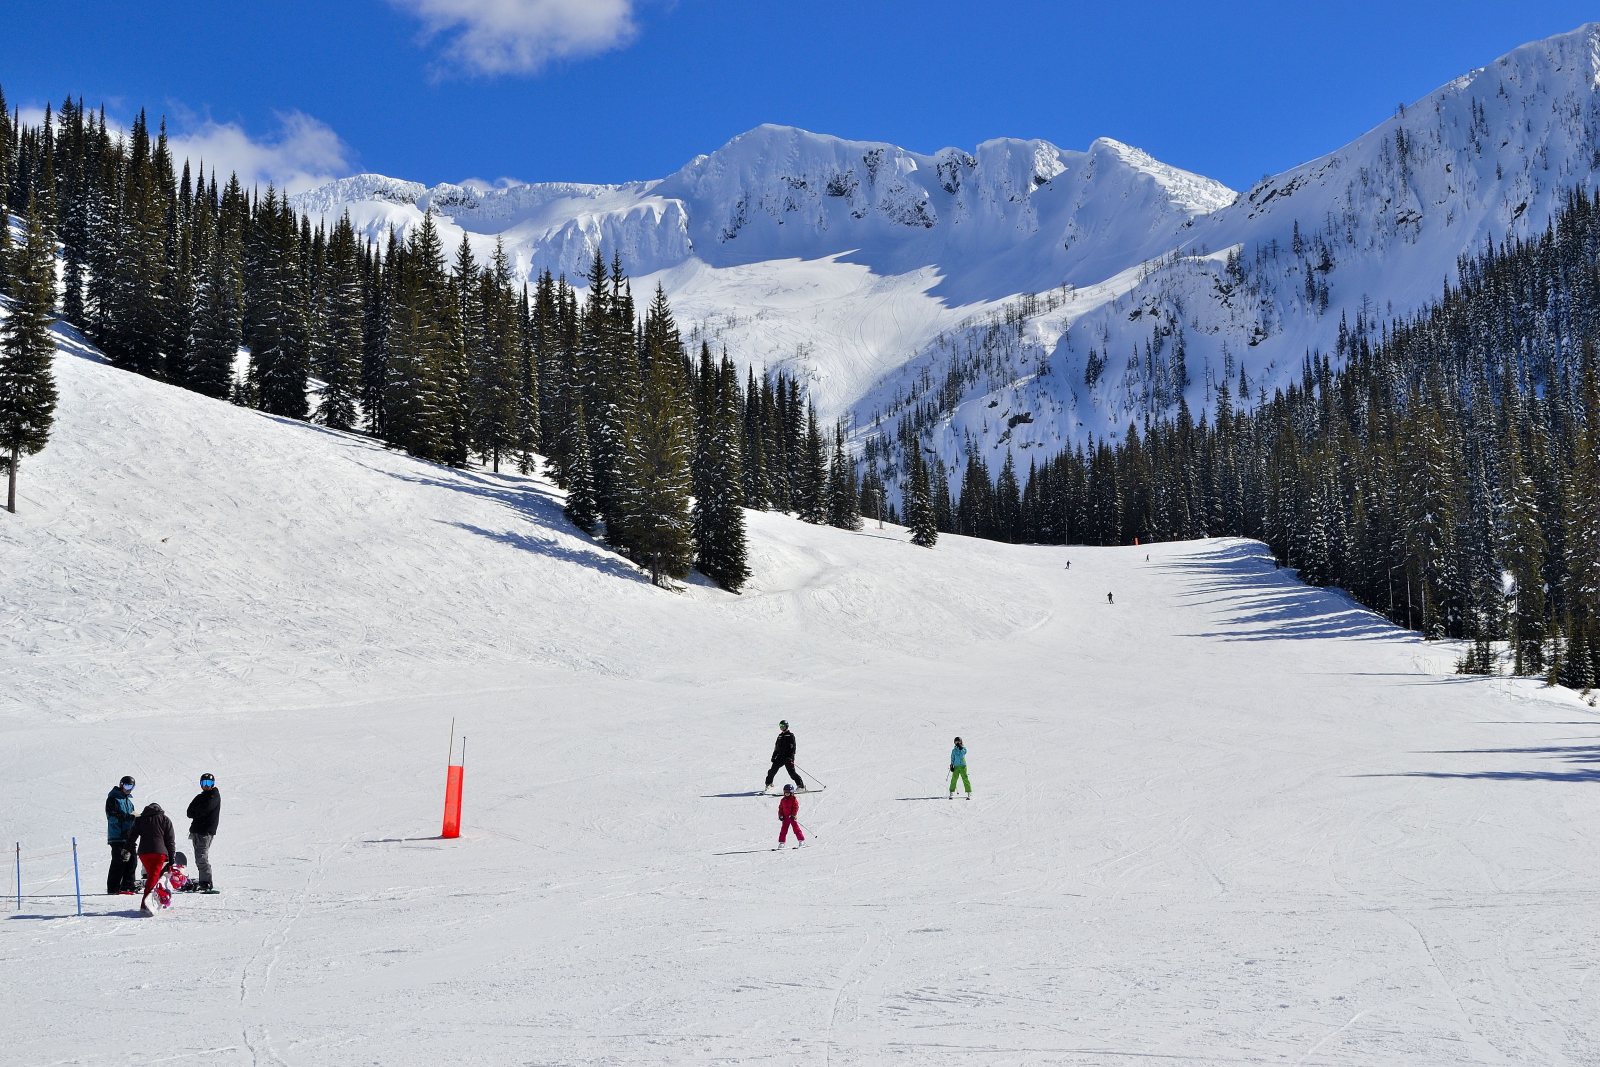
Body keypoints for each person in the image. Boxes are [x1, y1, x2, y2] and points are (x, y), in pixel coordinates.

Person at [133, 802, 176, 913]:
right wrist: (172, 860)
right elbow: (170, 841)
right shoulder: (165, 819)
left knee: (152, 877)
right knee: (153, 878)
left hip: (144, 853)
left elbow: (132, 835)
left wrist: (126, 849)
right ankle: (145, 904)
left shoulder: (141, 819)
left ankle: (152, 900)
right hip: (159, 853)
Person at [184, 773, 221, 892]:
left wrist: (198, 811)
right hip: (197, 831)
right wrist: (199, 811)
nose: (206, 786)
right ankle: (203, 881)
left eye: (208, 783)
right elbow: (189, 812)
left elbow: (206, 808)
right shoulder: (200, 797)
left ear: (213, 784)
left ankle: (206, 882)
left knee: (201, 857)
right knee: (199, 857)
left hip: (205, 831)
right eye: (203, 783)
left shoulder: (214, 796)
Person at [105, 776, 138, 895]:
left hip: (129, 837)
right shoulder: (113, 799)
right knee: (119, 861)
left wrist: (136, 820)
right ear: (121, 785)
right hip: (117, 837)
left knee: (132, 861)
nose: (129, 789)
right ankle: (113, 888)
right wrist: (126, 817)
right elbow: (111, 817)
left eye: (131, 787)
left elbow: (132, 815)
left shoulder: (129, 802)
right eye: (127, 786)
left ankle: (128, 886)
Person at [764, 720, 805, 792]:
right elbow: (776, 747)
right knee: (772, 771)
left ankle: (801, 786)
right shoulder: (780, 736)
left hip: (788, 757)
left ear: (786, 726)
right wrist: (773, 756)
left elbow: (793, 748)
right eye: (780, 726)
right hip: (780, 757)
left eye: (783, 726)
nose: (782, 728)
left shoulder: (790, 735)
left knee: (792, 773)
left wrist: (790, 757)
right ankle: (769, 784)